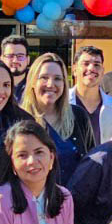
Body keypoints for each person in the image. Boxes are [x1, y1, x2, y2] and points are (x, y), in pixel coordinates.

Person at [21, 52, 94, 181]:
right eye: (44, 77)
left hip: (74, 199)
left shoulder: (78, 116)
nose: (50, 84)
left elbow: (91, 162)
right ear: (32, 82)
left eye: (57, 79)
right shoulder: (19, 119)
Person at [70, 45, 112, 146]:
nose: (91, 68)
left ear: (102, 71)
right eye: (86, 64)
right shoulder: (62, 103)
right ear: (74, 69)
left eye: (97, 65)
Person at [0, 34, 30, 101]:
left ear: (28, 60)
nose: (15, 60)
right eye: (10, 56)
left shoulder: (36, 85)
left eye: (20, 56)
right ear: (2, 59)